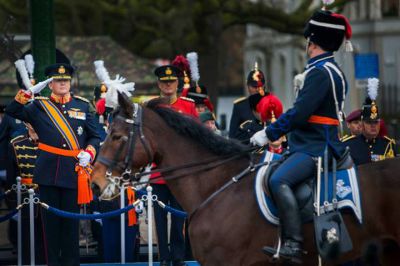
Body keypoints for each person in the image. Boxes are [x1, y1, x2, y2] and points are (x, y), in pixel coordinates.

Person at [250, 9, 352, 262]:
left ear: (313, 42)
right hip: (312, 141)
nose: (307, 44)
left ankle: (294, 244)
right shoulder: (333, 70)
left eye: (309, 40)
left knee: (278, 180)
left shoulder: (319, 72)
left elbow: (299, 114)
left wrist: (268, 133)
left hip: (317, 146)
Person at [5, 63, 101, 266]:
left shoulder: (82, 105)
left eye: (66, 80)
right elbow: (12, 110)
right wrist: (29, 92)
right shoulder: (38, 105)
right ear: (50, 84)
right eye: (58, 80)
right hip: (48, 174)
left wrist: (89, 153)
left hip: (73, 174)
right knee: (50, 230)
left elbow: (95, 136)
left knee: (70, 230)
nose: (63, 83)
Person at [151, 64, 198, 266]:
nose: (168, 85)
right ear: (159, 84)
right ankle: (163, 256)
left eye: (171, 82)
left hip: (180, 172)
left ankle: (178, 256)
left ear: (178, 83)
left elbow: (196, 136)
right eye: (164, 82)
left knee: (179, 217)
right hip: (158, 172)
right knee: (160, 219)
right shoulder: (152, 106)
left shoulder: (188, 106)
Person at [5, 123, 46, 264]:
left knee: (47, 242)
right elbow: (11, 180)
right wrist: (13, 205)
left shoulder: (51, 141)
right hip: (25, 202)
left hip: (48, 200)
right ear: (25, 122)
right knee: (27, 243)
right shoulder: (16, 144)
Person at [343, 98, 397, 165]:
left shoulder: (388, 144)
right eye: (369, 122)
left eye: (376, 122)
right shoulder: (349, 144)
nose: (373, 126)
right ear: (362, 124)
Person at [229, 63, 267, 143]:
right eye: (254, 87)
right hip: (247, 150)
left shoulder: (272, 104)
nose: (257, 89)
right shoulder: (240, 106)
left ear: (264, 86)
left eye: (260, 87)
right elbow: (232, 137)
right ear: (248, 86)